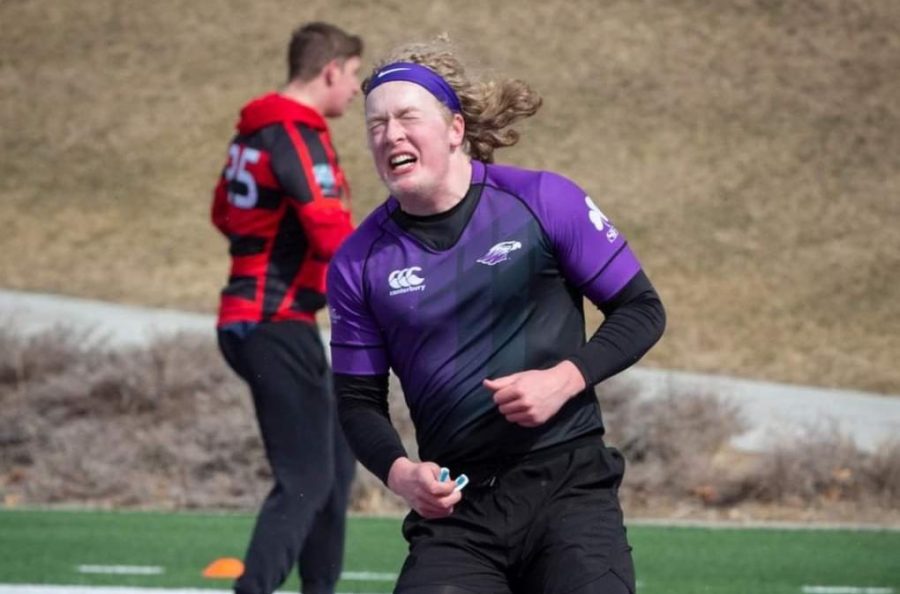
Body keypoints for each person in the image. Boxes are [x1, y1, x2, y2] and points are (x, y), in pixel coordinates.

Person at [327, 39, 666, 594]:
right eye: (376, 125)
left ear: (455, 129)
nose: (390, 135)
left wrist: (565, 379)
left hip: (569, 490)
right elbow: (357, 401)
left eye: (408, 117)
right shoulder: (359, 261)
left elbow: (642, 310)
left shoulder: (542, 200)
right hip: (458, 514)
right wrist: (400, 473)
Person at [210, 22, 362, 594]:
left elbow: (224, 213)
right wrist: (391, 286)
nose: (354, 89)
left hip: (260, 318)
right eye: (352, 76)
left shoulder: (253, 132)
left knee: (335, 463)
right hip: (274, 322)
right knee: (306, 478)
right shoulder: (297, 130)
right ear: (329, 71)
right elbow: (328, 227)